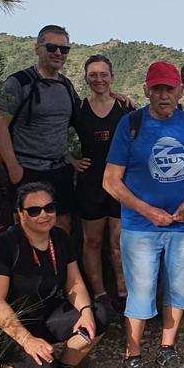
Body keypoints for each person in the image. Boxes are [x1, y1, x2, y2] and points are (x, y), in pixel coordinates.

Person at [104, 61, 184, 368]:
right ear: (146, 90)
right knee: (140, 294)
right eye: (157, 89)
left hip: (183, 227)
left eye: (169, 88)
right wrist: (146, 210)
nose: (164, 95)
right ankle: (132, 355)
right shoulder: (131, 125)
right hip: (140, 228)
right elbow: (111, 181)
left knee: (179, 292)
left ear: (180, 91)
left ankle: (167, 348)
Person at [0, 182, 108, 368]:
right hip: (4, 325)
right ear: (20, 214)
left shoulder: (59, 238)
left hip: (43, 314)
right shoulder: (3, 245)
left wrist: (86, 311)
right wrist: (27, 340)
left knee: (100, 316)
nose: (44, 215)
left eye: (49, 208)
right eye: (34, 210)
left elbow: (74, 283)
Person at [0, 25, 82, 232]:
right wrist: (14, 168)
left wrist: (112, 97)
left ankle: (59, 265)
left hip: (60, 171)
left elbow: (81, 117)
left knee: (62, 229)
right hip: (28, 170)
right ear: (37, 48)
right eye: (51, 47)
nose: (58, 53)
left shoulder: (66, 85)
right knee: (28, 232)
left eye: (64, 49)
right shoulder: (18, 83)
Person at [73, 54, 133, 308]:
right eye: (93, 75)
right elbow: (51, 133)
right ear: (86, 78)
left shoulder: (125, 108)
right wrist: (70, 159)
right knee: (92, 240)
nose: (99, 79)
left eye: (103, 74)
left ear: (112, 77)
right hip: (90, 183)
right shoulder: (77, 110)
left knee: (118, 240)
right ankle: (99, 293)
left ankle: (123, 291)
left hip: (120, 182)